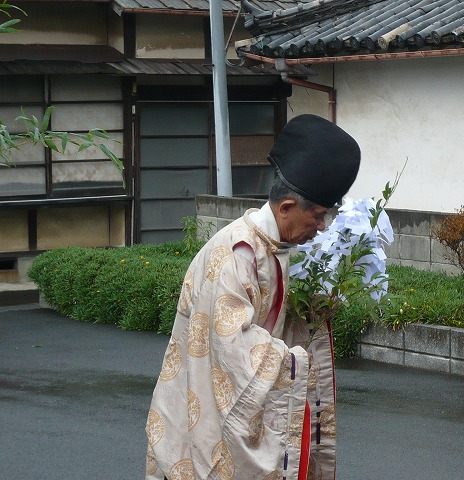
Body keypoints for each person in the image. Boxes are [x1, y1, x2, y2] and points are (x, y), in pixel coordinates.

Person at [145, 114, 361, 480]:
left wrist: (306, 316)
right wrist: (292, 362)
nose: (322, 227)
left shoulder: (272, 248)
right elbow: (234, 353)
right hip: (205, 422)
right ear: (287, 207)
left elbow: (270, 325)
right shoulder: (235, 256)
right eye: (319, 215)